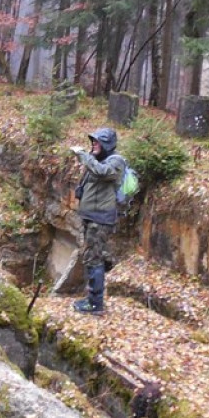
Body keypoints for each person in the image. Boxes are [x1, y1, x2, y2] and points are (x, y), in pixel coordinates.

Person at [70, 127, 126, 313]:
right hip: (90, 216)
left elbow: (103, 172)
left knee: (93, 259)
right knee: (92, 256)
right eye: (92, 141)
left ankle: (95, 304)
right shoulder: (96, 160)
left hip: (100, 219)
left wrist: (85, 157)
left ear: (107, 144)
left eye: (97, 141)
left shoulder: (115, 161)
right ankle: (94, 291)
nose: (93, 144)